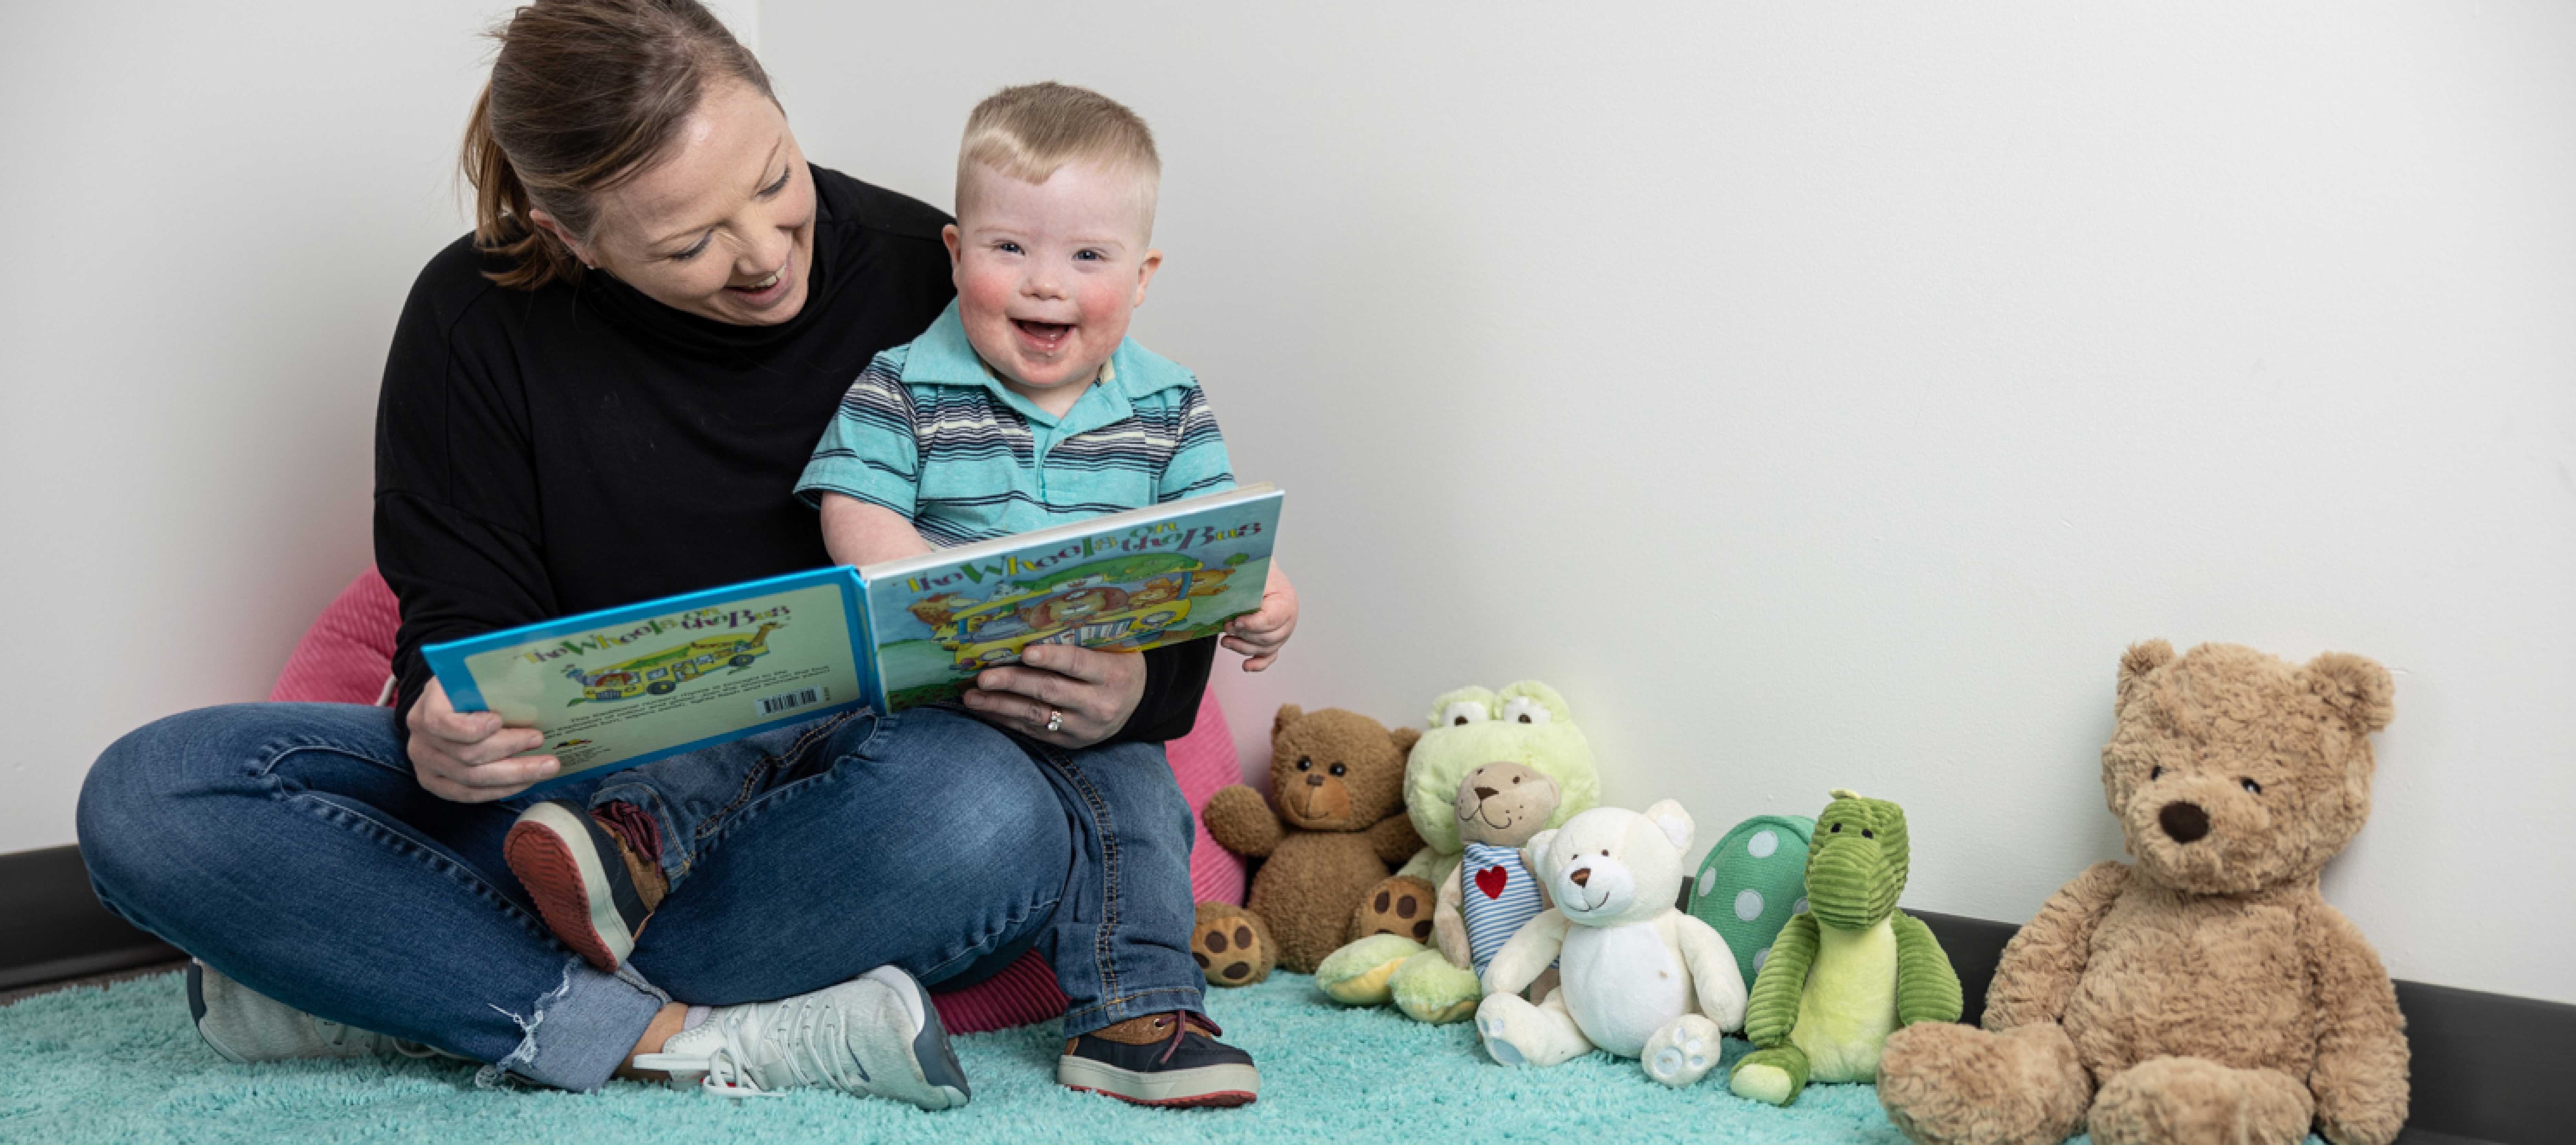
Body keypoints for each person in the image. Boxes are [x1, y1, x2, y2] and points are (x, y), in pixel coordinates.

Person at [73, 0, 1276, 1110]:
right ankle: (675, 1038)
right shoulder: (475, 314)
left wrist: (1138, 685)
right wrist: (448, 719)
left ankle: (398, 980)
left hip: (848, 818)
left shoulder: (943, 275)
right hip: (573, 820)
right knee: (152, 794)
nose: (762, 255)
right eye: (691, 241)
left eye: (775, 181)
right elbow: (455, 615)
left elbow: (1103, 510)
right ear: (570, 237)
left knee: (985, 813)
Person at [496, 81, 1298, 1108]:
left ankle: (1137, 1013)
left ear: (1140, 279)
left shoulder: (1167, 405)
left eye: (1087, 258)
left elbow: (1211, 532)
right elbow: (854, 504)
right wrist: (915, 585)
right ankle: (634, 841)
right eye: (1009, 250)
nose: (1045, 285)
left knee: (1142, 807)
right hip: (922, 676)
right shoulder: (904, 382)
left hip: (1076, 697)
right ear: (956, 253)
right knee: (780, 696)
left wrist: (1263, 595)